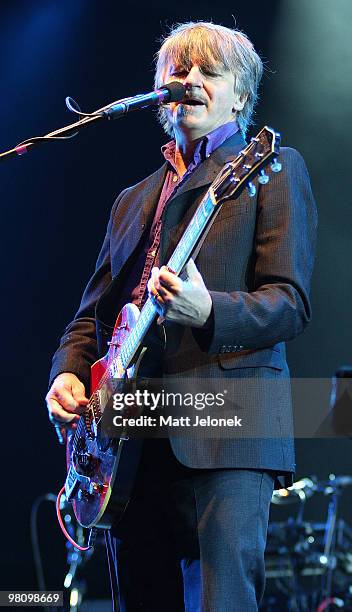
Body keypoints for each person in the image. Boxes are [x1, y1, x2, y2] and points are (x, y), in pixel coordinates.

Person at [46, 21, 317, 611]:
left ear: (241, 96)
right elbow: (90, 318)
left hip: (226, 429)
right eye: (177, 71)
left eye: (208, 72)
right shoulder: (132, 199)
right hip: (127, 434)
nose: (188, 80)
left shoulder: (270, 170)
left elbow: (290, 303)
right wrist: (67, 373)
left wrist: (207, 310)